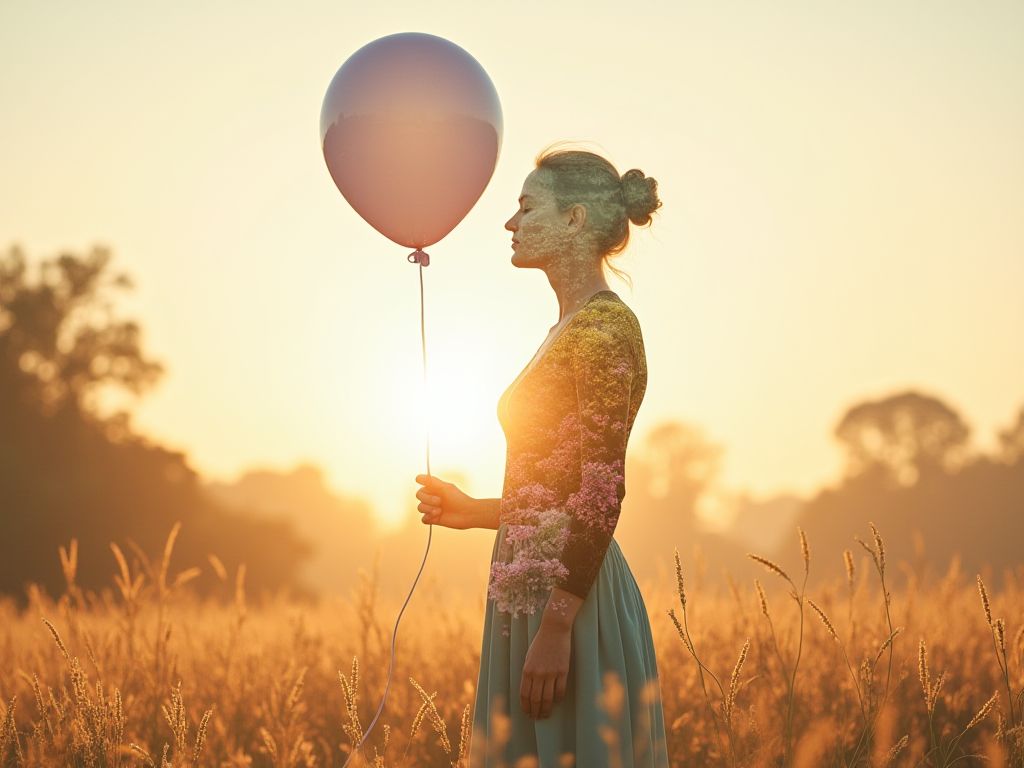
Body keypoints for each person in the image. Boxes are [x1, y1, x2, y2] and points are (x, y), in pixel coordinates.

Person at [414, 144, 669, 767]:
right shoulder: (565, 329)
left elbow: (601, 492)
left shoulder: (605, 330)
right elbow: (554, 487)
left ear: (576, 220)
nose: (510, 222)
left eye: (527, 206)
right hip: (528, 588)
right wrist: (474, 511)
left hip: (569, 600)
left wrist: (558, 627)